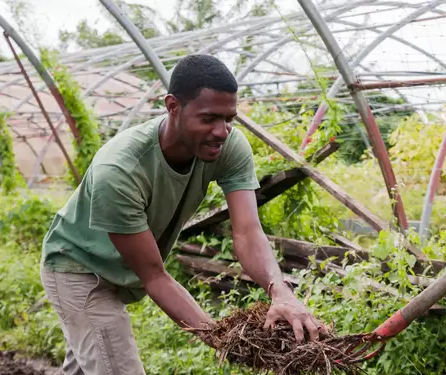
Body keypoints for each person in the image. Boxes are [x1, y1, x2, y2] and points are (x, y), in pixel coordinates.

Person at [40, 54, 324, 375]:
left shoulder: (228, 146)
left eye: (229, 118)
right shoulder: (119, 169)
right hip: (79, 269)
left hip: (126, 267)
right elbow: (155, 277)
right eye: (209, 118)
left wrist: (281, 291)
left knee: (91, 362)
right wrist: (228, 341)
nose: (222, 131)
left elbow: (246, 231)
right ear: (173, 106)